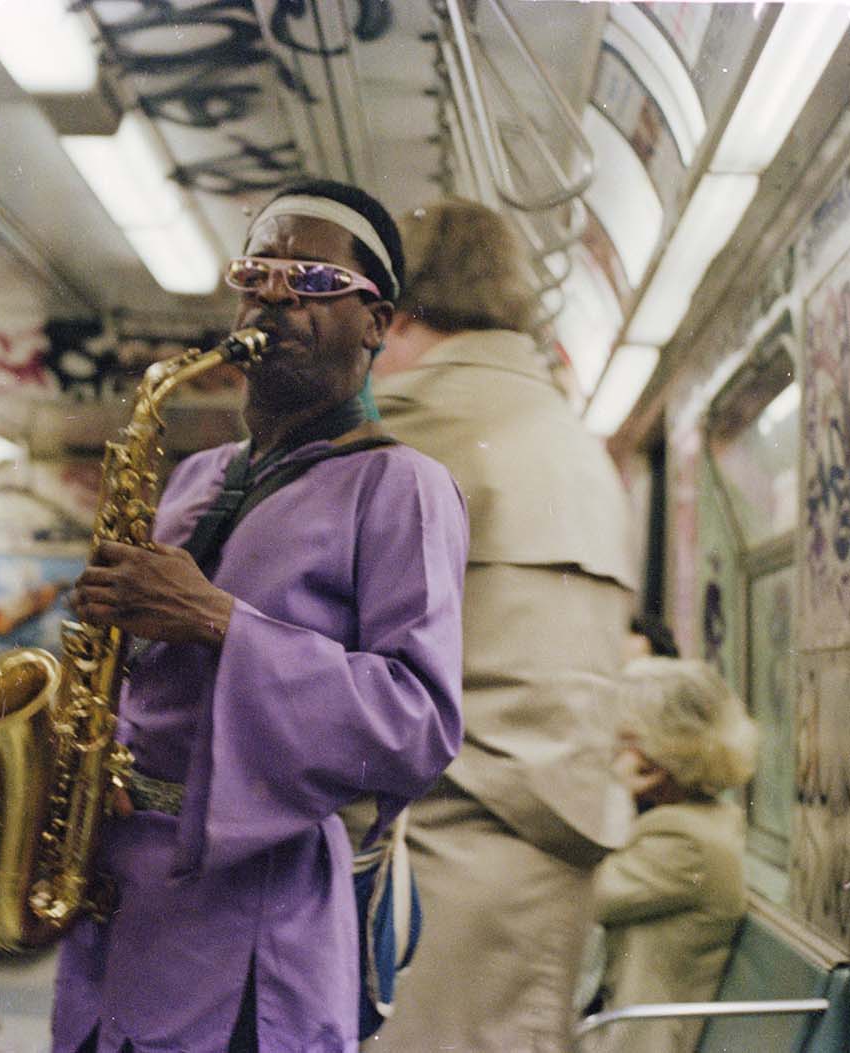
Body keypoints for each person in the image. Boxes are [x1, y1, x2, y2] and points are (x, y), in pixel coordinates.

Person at [52, 179, 469, 1052]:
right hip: (115, 902)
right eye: (258, 273)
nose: (276, 297)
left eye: (313, 281)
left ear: (376, 320)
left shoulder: (402, 487)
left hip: (247, 935)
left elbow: (418, 726)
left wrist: (219, 622)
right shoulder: (198, 474)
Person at [368, 197, 638, 1052]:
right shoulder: (568, 435)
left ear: (399, 313)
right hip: (544, 839)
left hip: (445, 839)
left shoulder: (421, 420)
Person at [594, 657, 758, 1053]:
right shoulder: (704, 820)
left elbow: (581, 897)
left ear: (659, 749)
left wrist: (613, 788)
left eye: (625, 737)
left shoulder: (685, 841)